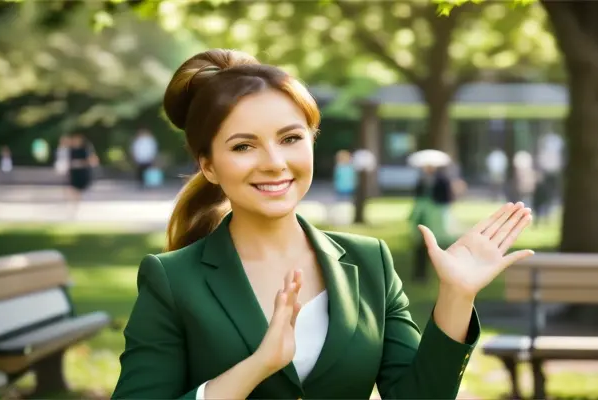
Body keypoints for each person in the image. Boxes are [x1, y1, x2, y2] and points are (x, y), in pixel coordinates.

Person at [111, 49, 534, 400]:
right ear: (210, 166)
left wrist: (457, 297)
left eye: (290, 138)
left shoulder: (371, 263)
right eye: (243, 146)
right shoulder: (172, 279)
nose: (274, 163)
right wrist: (255, 368)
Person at [66, 132, 99, 210]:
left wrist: (80, 163)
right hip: (73, 171)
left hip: (83, 171)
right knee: (73, 188)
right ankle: (74, 203)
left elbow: (92, 160)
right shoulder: (70, 149)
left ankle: (77, 203)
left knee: (80, 188)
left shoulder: (86, 149)